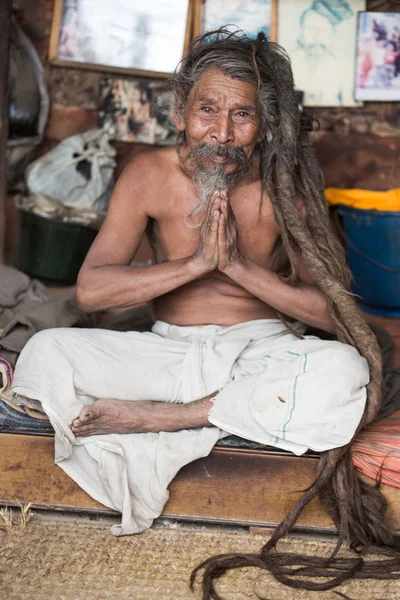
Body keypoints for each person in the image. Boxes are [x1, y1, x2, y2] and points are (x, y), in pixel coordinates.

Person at [11, 29, 399, 593]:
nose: (221, 133)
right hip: (165, 352)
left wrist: (239, 268)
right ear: (180, 110)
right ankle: (223, 416)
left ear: (265, 123)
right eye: (208, 110)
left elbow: (331, 312)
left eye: (242, 115)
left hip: (258, 356)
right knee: (47, 350)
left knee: (347, 372)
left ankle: (167, 417)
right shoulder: (148, 173)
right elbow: (91, 291)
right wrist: (195, 265)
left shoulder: (284, 184)